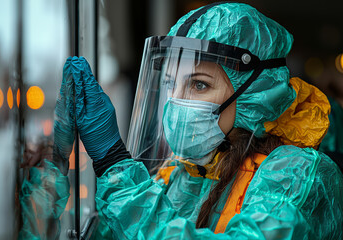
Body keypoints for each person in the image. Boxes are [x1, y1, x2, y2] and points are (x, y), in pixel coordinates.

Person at [57, 2, 343, 239]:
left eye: (199, 85)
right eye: (171, 84)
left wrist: (113, 162)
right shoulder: (184, 174)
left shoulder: (299, 176)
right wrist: (50, 167)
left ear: (255, 93)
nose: (176, 102)